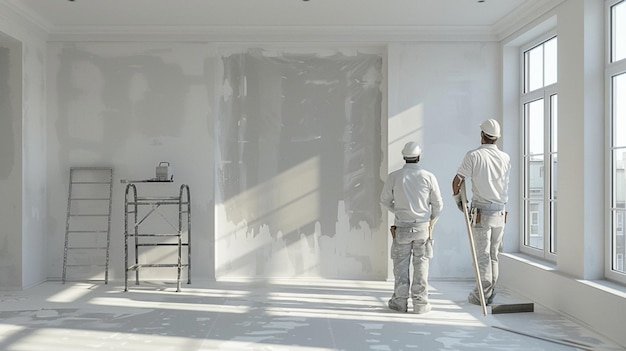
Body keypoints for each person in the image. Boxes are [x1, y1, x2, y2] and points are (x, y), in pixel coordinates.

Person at [452, 119, 511, 306]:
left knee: (483, 256)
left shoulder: (474, 156)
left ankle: (481, 296)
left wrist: (459, 201)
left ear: (482, 135)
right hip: (500, 213)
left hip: (481, 213)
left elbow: (457, 181)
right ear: (497, 138)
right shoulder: (505, 157)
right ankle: (489, 293)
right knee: (494, 255)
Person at [380, 141, 443, 314]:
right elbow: (438, 204)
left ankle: (400, 302)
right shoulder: (428, 176)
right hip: (422, 228)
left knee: (400, 265)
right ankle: (420, 304)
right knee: (421, 265)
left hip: (402, 228)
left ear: (404, 157)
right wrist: (430, 219)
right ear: (419, 157)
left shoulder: (394, 176)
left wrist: (398, 211)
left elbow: (384, 201)